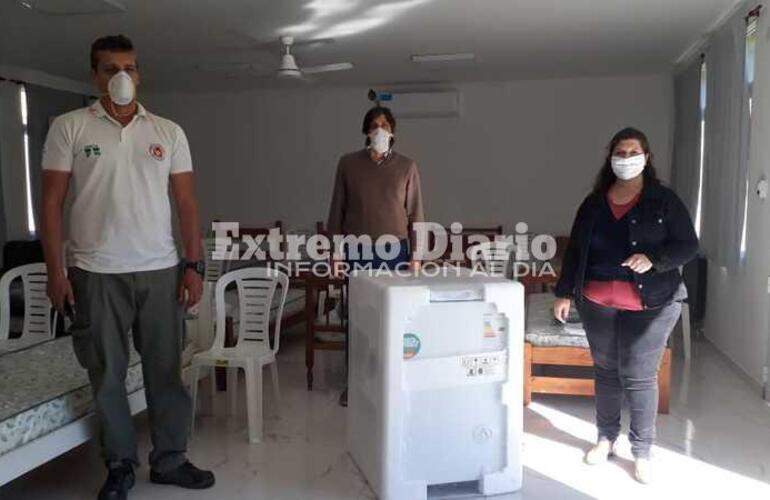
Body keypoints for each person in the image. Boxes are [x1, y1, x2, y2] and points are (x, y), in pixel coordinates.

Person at [40, 35, 214, 500]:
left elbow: (187, 204)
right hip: (94, 273)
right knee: (107, 376)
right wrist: (55, 272)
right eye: (111, 68)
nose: (122, 76)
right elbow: (52, 203)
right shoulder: (69, 128)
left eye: (130, 67)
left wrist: (193, 265)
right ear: (94, 75)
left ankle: (171, 459)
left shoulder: (168, 132)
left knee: (165, 372)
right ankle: (119, 465)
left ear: (139, 74)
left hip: (160, 269)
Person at [553, 127, 698, 484]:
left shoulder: (663, 200)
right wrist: (564, 292)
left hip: (652, 302)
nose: (627, 158)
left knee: (638, 374)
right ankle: (605, 438)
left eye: (635, 152)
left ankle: (642, 451)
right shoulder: (594, 202)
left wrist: (655, 260)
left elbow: (687, 245)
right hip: (596, 301)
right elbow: (575, 250)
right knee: (605, 370)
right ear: (611, 157)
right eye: (621, 151)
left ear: (646, 158)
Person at [326, 105, 425, 405]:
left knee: (392, 317)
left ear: (393, 131)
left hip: (395, 251)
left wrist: (417, 256)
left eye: (384, 124)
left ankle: (392, 382)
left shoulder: (407, 167)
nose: (379, 130)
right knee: (357, 317)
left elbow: (416, 214)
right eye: (374, 125)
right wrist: (335, 253)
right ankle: (355, 382)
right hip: (357, 251)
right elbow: (336, 212)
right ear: (366, 131)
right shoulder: (348, 164)